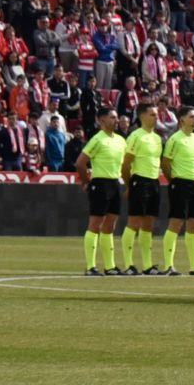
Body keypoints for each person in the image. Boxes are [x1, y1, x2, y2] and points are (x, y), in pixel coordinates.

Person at [76, 106, 126, 276]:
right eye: (112, 117)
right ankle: (91, 266)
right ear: (102, 120)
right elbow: (80, 163)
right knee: (95, 224)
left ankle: (110, 266)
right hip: (100, 183)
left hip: (114, 182)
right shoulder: (97, 139)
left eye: (116, 117)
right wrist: (87, 182)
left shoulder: (120, 140)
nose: (116, 120)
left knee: (110, 225)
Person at [161, 108, 194, 278]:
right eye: (192, 117)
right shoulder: (174, 139)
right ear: (181, 120)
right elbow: (165, 163)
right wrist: (172, 180)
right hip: (179, 183)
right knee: (176, 223)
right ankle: (168, 266)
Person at [119, 104, 165, 276]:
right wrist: (129, 185)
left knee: (148, 224)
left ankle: (147, 265)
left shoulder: (157, 138)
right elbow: (126, 164)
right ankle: (128, 264)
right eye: (153, 114)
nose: (156, 117)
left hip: (154, 181)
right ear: (142, 116)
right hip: (139, 180)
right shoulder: (135, 136)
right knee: (134, 222)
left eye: (157, 114)